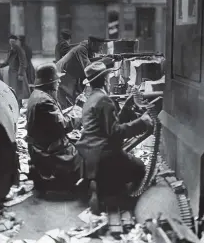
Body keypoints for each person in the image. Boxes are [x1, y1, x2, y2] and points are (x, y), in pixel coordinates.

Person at [76, 61, 154, 214]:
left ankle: (102, 186)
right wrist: (141, 122)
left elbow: (108, 126)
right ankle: (119, 200)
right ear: (105, 80)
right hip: (103, 157)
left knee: (126, 160)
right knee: (140, 168)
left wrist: (126, 107)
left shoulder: (91, 98)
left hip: (90, 156)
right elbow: (115, 133)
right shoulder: (104, 100)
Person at [26, 63, 82, 193]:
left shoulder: (38, 94)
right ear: (50, 82)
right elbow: (63, 126)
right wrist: (79, 109)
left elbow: (54, 119)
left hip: (41, 146)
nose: (59, 81)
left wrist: (72, 110)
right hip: (47, 152)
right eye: (57, 79)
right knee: (87, 155)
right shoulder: (44, 102)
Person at [56, 36, 105, 109]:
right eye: (100, 46)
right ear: (92, 44)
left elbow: (90, 61)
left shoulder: (88, 50)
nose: (101, 48)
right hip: (63, 75)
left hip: (69, 75)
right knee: (68, 103)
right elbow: (88, 68)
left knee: (75, 100)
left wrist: (103, 58)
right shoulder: (81, 49)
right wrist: (104, 61)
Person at [0, 35, 30, 108]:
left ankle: (19, 104)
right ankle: (17, 103)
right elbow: (8, 61)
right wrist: (0, 65)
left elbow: (23, 62)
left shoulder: (19, 49)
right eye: (10, 41)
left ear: (16, 41)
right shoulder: (11, 50)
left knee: (18, 89)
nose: (11, 43)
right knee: (14, 89)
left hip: (17, 73)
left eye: (13, 41)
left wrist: (20, 74)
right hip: (12, 73)